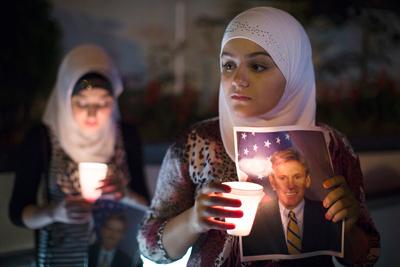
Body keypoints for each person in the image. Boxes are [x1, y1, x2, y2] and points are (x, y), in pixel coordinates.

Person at [137, 6, 380, 267]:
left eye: (257, 66)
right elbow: (149, 246)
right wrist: (194, 219)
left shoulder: (332, 146)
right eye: (228, 65)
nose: (238, 79)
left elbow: (366, 257)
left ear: (294, 71)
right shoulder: (199, 142)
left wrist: (347, 226)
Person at [9, 44, 150, 266]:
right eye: (82, 103)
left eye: (103, 103)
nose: (91, 113)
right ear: (66, 99)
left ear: (114, 101)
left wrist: (125, 195)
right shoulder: (42, 138)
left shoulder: (126, 136)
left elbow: (149, 206)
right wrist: (54, 212)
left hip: (117, 259)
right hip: (60, 257)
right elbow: (18, 213)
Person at [242, 148, 341, 257]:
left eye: (297, 177)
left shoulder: (329, 214)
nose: (290, 186)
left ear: (307, 180)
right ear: (273, 182)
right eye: (282, 178)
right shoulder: (253, 218)